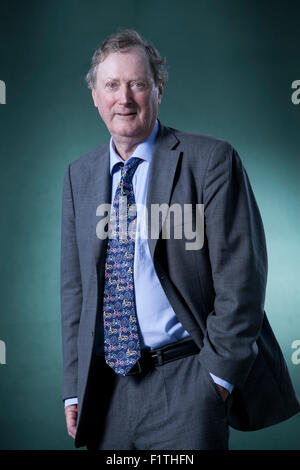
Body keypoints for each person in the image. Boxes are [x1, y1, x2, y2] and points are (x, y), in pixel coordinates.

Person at [60, 29, 299, 450]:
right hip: (105, 390)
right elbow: (76, 291)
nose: (124, 98)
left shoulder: (210, 161)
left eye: (137, 83)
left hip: (187, 383)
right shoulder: (79, 175)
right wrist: (75, 387)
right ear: (95, 95)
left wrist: (216, 381)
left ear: (158, 88)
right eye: (112, 85)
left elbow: (242, 278)